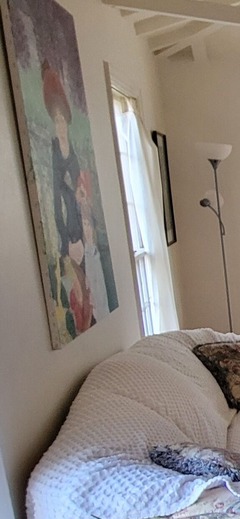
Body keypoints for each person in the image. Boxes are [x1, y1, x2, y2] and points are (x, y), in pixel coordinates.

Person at [43, 60, 94, 336]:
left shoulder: (72, 153)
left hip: (79, 228)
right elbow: (55, 199)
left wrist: (80, 198)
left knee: (84, 281)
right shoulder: (53, 154)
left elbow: (81, 191)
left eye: (63, 120)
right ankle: (80, 317)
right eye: (57, 121)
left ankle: (86, 315)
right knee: (74, 282)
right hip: (68, 231)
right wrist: (67, 240)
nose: (61, 126)